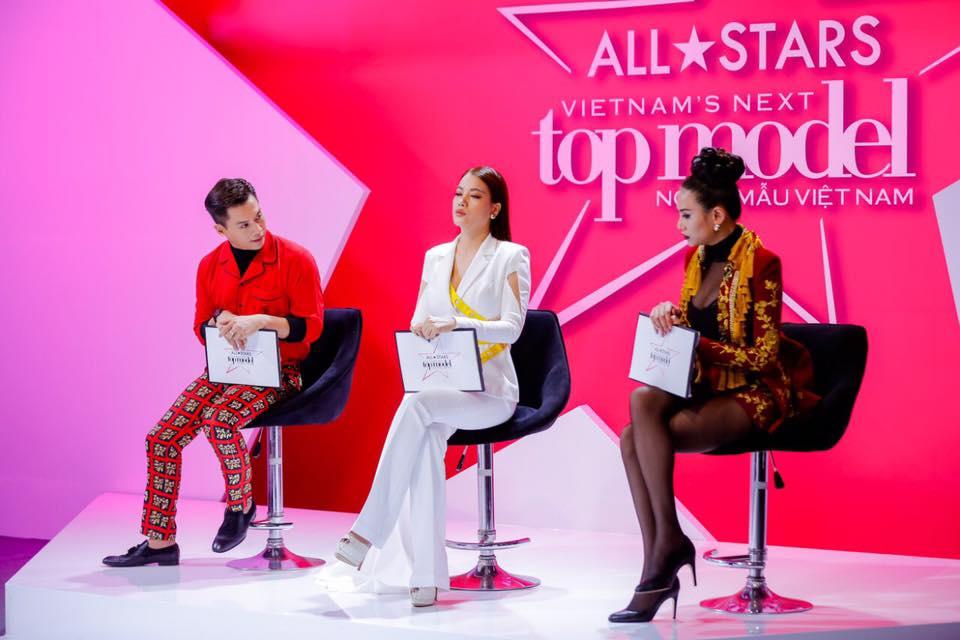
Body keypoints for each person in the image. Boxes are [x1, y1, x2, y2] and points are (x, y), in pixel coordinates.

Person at [610, 148, 818, 622]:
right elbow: (693, 323)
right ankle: (665, 546)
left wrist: (698, 345)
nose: (679, 225)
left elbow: (763, 357)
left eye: (686, 215)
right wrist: (668, 315)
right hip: (707, 384)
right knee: (639, 405)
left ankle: (661, 560)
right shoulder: (696, 259)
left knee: (634, 440)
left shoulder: (762, 263)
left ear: (717, 216)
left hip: (755, 391)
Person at [334, 166, 530, 607]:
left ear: (494, 208)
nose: (461, 201)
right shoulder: (435, 256)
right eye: (458, 193)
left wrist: (456, 323)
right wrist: (424, 329)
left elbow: (512, 328)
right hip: (443, 383)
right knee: (423, 445)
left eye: (474, 195)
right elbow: (419, 319)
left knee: (417, 406)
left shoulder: (510, 256)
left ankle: (367, 531)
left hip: (491, 392)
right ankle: (426, 576)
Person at [103, 178, 324, 567]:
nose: (258, 229)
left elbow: (312, 328)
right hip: (224, 371)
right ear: (221, 230)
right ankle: (160, 543)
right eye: (244, 224)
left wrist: (261, 321)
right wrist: (218, 321)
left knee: (219, 420)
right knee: (161, 439)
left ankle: (241, 506)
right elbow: (199, 327)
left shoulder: (296, 258)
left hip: (279, 372)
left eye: (259, 217)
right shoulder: (209, 266)